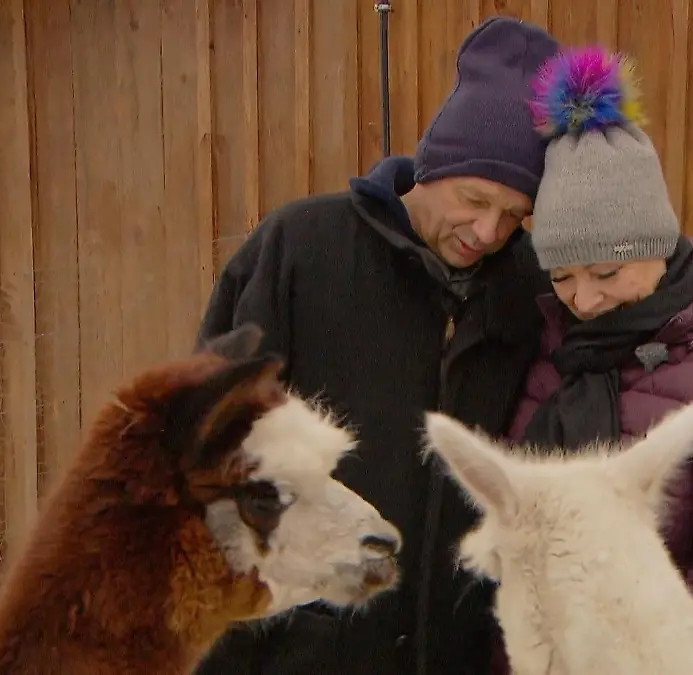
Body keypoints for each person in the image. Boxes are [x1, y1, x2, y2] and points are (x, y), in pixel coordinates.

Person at [190, 17, 560, 675]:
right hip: (295, 650)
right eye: (474, 199)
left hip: (449, 650)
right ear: (433, 163)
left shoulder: (522, 289)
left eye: (514, 213)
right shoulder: (302, 250)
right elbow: (207, 444)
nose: (488, 230)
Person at [493, 46, 693, 675]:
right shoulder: (552, 354)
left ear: (659, 249)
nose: (583, 299)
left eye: (607, 272)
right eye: (562, 276)